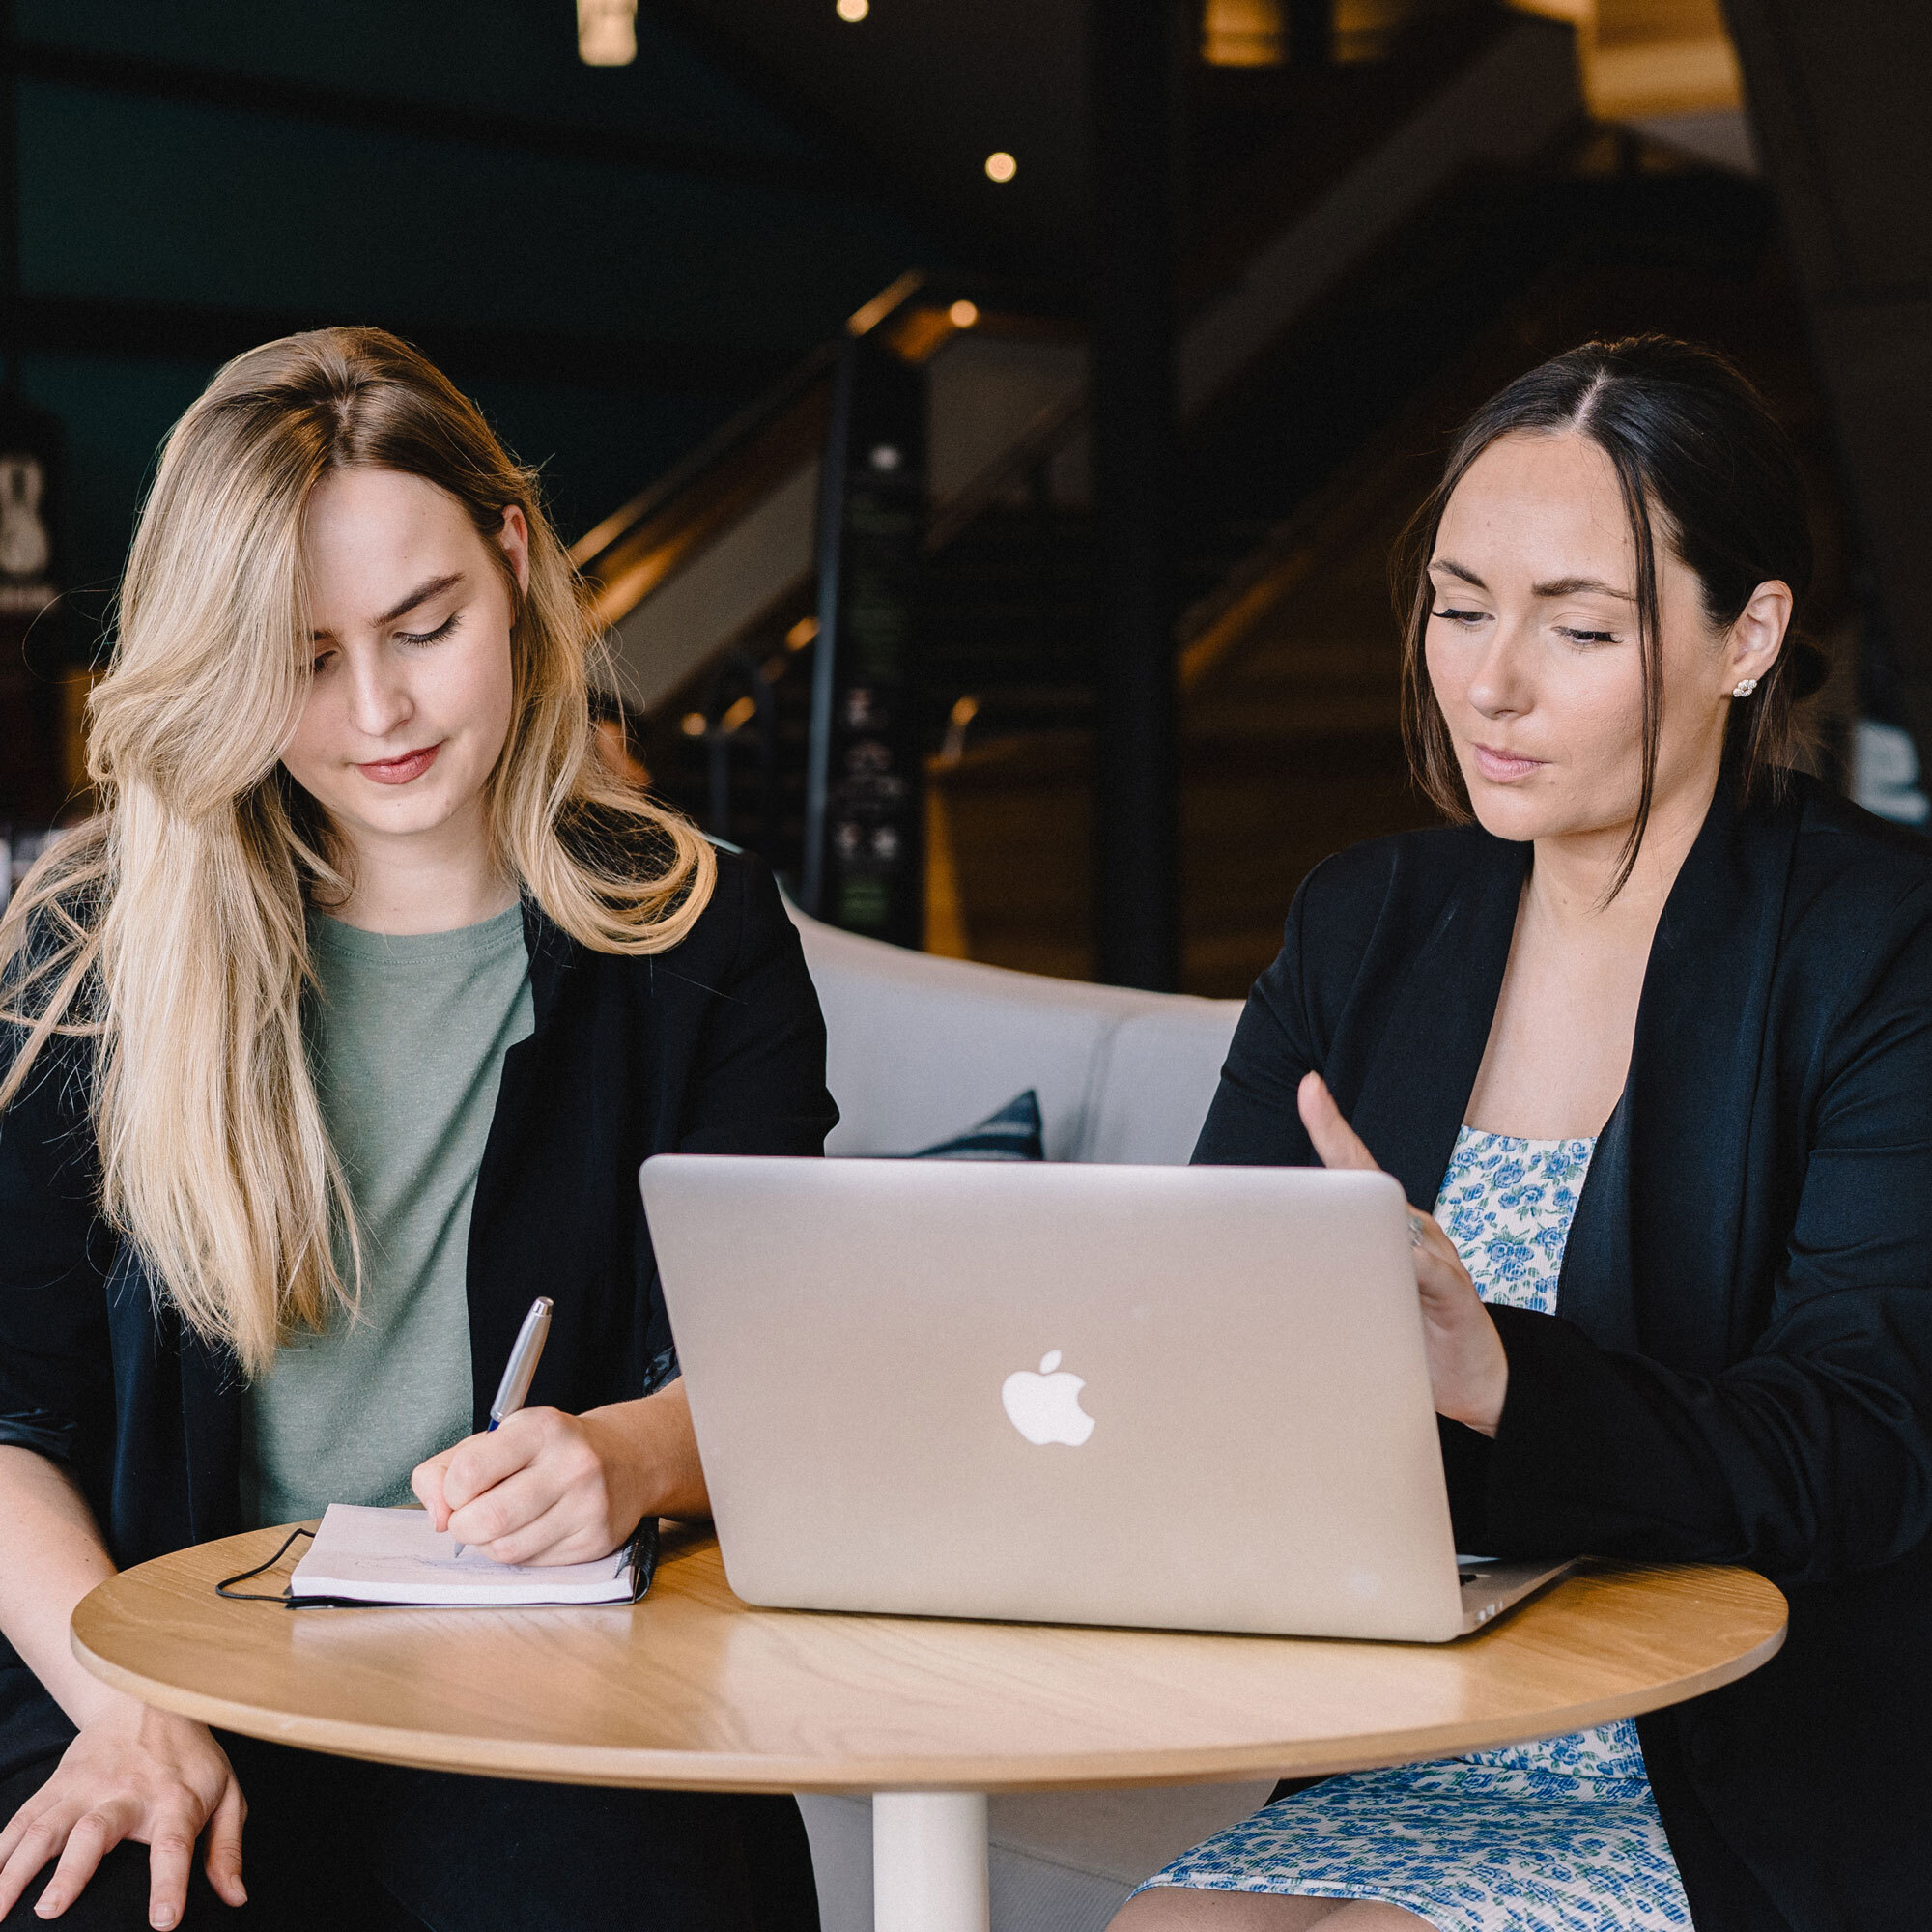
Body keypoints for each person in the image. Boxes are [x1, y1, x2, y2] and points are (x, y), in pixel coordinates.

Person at [0, 328, 838, 1932]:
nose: (377, 708)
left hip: (544, 1675)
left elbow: (775, 1365)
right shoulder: (92, 950)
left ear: (512, 563)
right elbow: (8, 1410)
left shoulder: (698, 934)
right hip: (143, 1655)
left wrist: (626, 1457)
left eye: (423, 626)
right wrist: (127, 1699)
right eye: (302, 657)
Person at [1113, 338, 1932, 1932]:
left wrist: (1491, 1372)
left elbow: (1862, 1448)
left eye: (1579, 628)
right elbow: (1193, 1318)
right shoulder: (1367, 924)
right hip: (1417, 1730)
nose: (1491, 682)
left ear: (1747, 634)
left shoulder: (1879, 949)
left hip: (1732, 1758)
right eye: (1459, 603)